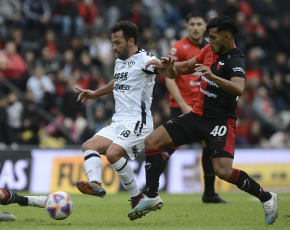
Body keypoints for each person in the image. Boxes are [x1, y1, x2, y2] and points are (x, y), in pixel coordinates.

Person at [129, 16, 279, 225]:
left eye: (213, 37)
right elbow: (183, 68)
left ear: (227, 38)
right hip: (197, 115)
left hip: (220, 122)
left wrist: (212, 76)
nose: (210, 41)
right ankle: (152, 195)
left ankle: (267, 197)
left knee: (223, 171)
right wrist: (168, 66)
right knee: (152, 141)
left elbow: (239, 88)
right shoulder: (209, 50)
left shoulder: (236, 60)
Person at [74, 20, 163, 220]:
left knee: (113, 154)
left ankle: (137, 198)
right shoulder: (120, 62)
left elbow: (166, 70)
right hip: (119, 122)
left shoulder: (145, 59)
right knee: (89, 145)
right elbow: (119, 81)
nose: (114, 47)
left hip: (138, 122)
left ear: (131, 41)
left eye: (118, 43)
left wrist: (170, 68)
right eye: (113, 43)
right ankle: (95, 184)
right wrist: (96, 93)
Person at [145, 11, 228, 204]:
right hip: (182, 106)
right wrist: (183, 105)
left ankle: (209, 193)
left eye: (200, 24)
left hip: (203, 108)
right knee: (166, 146)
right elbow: (169, 78)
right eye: (192, 24)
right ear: (187, 26)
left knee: (209, 147)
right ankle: (149, 187)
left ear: (205, 27)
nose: (196, 27)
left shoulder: (210, 48)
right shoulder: (178, 48)